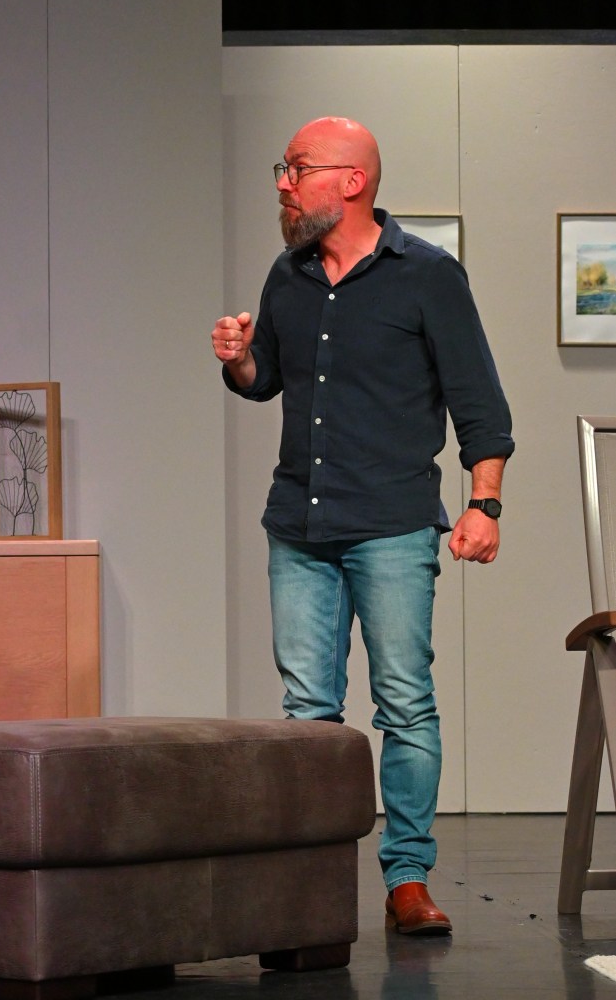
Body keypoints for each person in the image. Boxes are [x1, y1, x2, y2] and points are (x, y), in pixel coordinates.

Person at [213, 116, 514, 936]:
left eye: (296, 168)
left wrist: (483, 504)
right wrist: (239, 358)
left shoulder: (428, 276)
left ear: (350, 182)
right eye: (282, 168)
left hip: (390, 523)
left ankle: (406, 877)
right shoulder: (288, 274)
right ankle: (311, 881)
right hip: (299, 525)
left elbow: (480, 406)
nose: (282, 182)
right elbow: (265, 381)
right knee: (307, 712)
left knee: (404, 705)